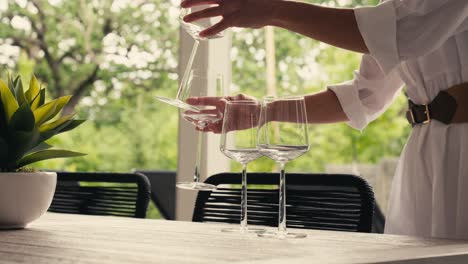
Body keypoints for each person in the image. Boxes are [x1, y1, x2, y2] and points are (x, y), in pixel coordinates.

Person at [181, 0, 468, 240]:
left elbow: (405, 33)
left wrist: (271, 10)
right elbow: (366, 95)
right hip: (428, 154)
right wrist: (261, 113)